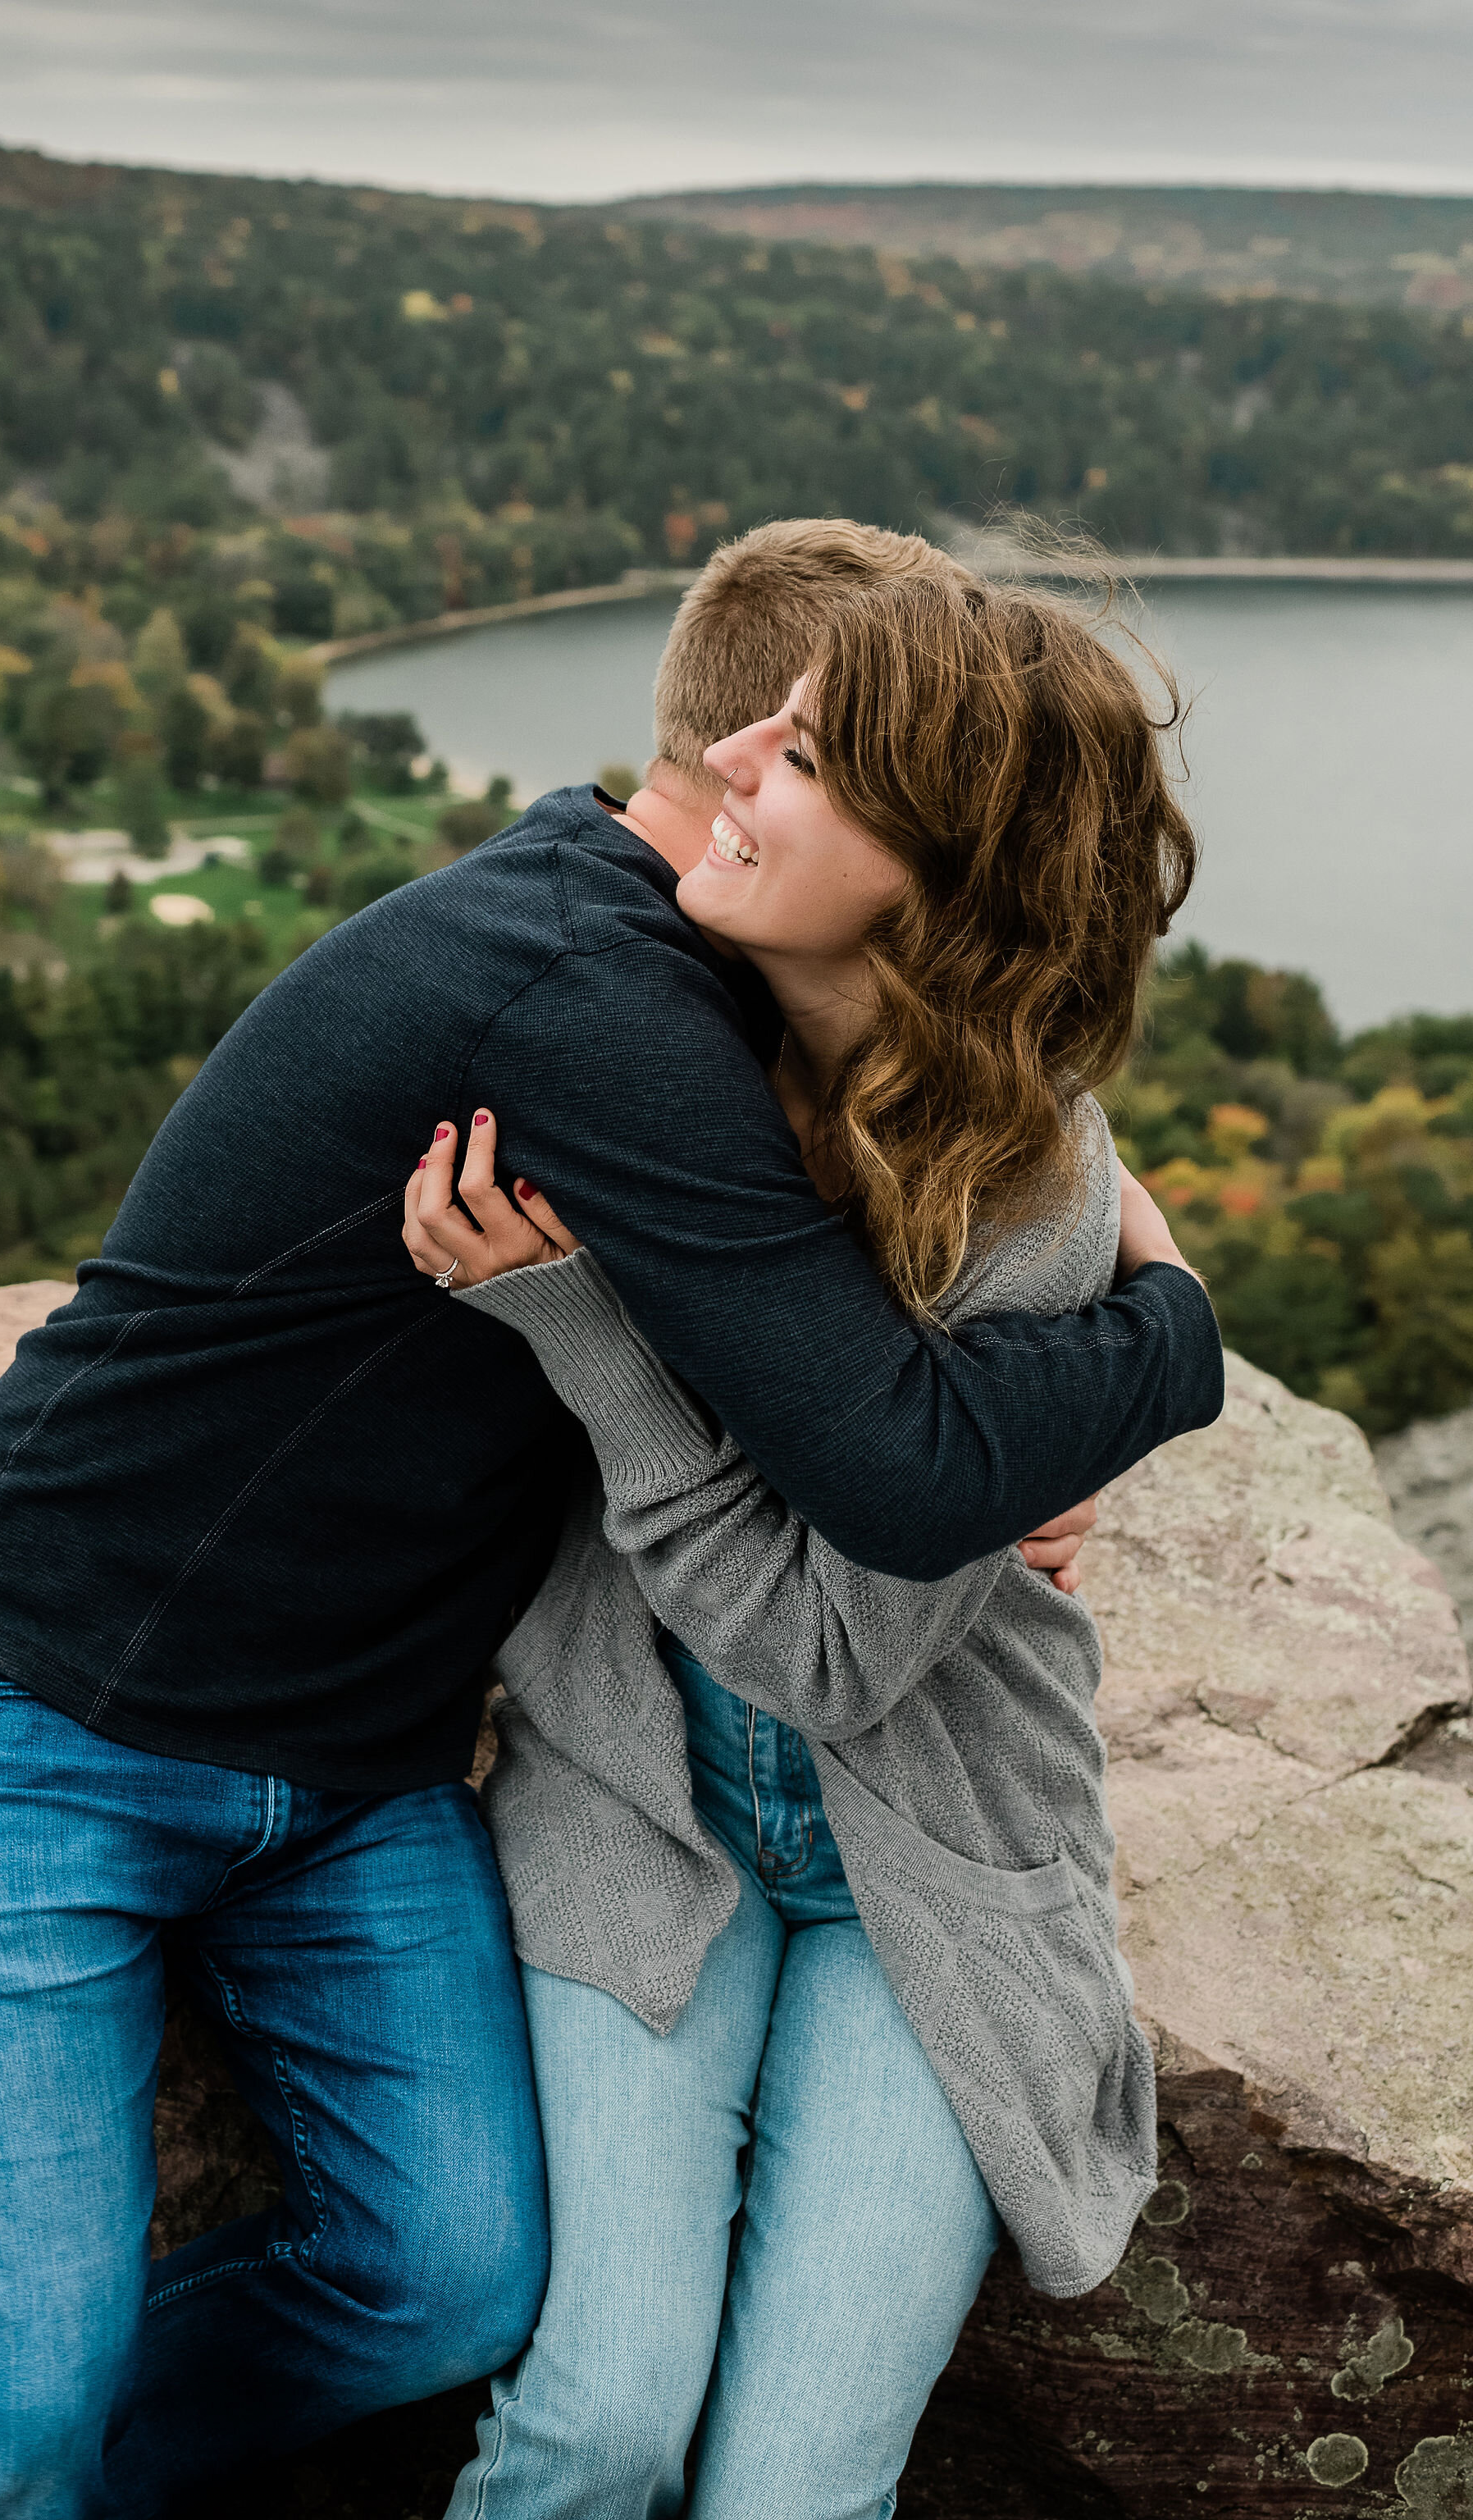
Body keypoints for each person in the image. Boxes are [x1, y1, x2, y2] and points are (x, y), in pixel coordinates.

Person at [0, 523, 1220, 2517]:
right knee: (26, 2384)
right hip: (58, 1717)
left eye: (815, 754)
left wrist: (1066, 1367)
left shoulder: (729, 1002)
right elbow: (900, 1463)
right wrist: (1169, 1339)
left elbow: (900, 1413)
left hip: (371, 1760)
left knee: (443, 2286)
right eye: (771, 736)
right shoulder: (600, 998)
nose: (764, 765)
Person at [400, 557, 1209, 2518]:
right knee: (594, 2425)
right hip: (632, 1803)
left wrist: (583, 1335)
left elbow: (824, 1660)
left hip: (919, 1863)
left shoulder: (1026, 1203)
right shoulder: (651, 1036)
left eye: (809, 755)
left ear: (939, 865)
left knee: (788, 2490)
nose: (724, 763)